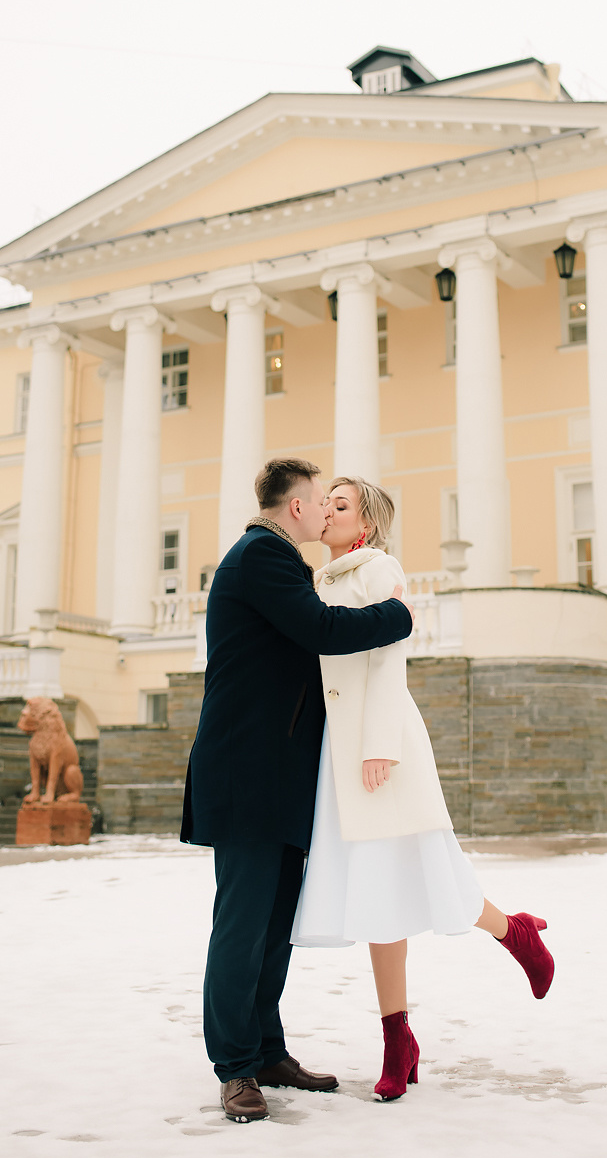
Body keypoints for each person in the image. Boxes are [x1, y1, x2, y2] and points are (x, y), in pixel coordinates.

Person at [290, 475, 554, 1101]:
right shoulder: (318, 582)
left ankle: (514, 932)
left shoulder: (380, 571)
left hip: (382, 750)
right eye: (325, 501)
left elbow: (390, 658)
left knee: (426, 870)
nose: (328, 509)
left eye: (342, 504)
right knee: (379, 890)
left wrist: (379, 745)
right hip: (338, 752)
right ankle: (397, 1038)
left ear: (368, 524)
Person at [181, 457, 414, 1124]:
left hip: (279, 774)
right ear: (296, 508)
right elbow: (321, 631)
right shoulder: (263, 557)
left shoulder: (277, 560)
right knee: (243, 925)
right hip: (247, 772)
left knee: (274, 927)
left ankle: (268, 1051)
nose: (325, 510)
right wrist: (397, 616)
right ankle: (235, 1068)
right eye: (320, 500)